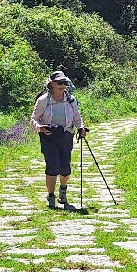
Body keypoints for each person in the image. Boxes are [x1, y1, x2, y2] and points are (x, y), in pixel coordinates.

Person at [32, 70, 87, 210]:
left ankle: (63, 190)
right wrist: (40, 127)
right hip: (48, 136)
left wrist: (81, 128)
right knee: (52, 166)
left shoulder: (70, 100)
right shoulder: (43, 100)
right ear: (51, 84)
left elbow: (76, 116)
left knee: (65, 167)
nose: (63, 85)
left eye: (64, 82)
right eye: (60, 83)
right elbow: (34, 119)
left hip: (66, 135)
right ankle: (51, 196)